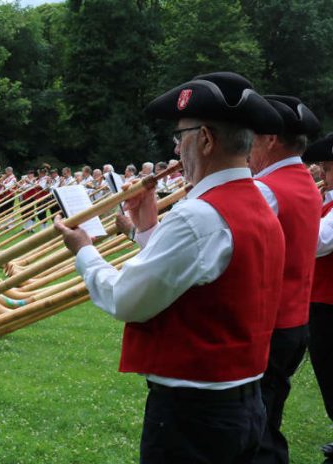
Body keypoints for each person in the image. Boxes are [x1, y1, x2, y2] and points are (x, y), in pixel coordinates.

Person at [54, 72, 286, 462]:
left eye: (181, 137)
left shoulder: (199, 214)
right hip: (243, 401)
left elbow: (127, 299)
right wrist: (147, 229)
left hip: (194, 411)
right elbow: (200, 273)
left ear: (206, 139)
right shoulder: (257, 203)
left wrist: (83, 251)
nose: (177, 151)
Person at [248, 94, 322, 464]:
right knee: (269, 412)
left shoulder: (267, 188)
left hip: (270, 323)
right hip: (294, 320)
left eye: (252, 136)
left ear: (270, 140)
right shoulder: (304, 181)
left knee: (256, 425)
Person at [301, 134, 333, 460]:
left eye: (327, 167)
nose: (322, 173)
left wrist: (305, 203)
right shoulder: (328, 199)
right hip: (321, 299)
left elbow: (319, 242)